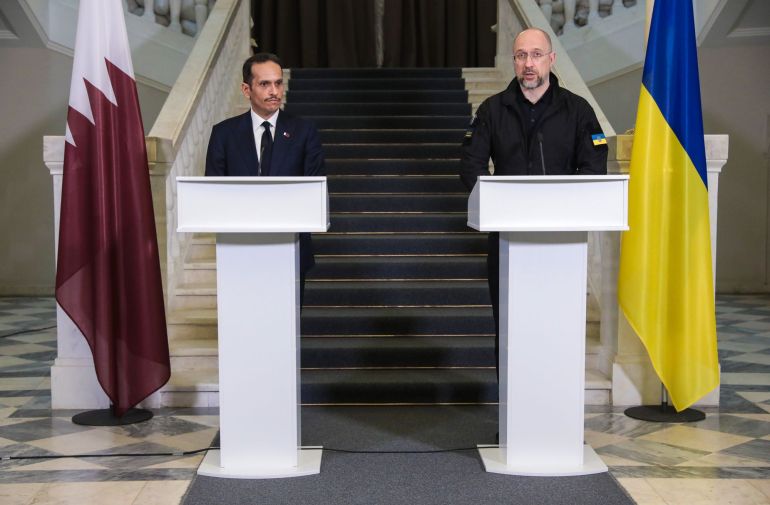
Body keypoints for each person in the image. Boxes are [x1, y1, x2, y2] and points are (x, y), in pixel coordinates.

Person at [460, 28, 608, 376]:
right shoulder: (492, 110)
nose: (529, 64)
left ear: (551, 59)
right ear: (514, 61)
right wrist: (500, 202)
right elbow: (471, 166)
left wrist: (563, 208)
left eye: (537, 55)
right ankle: (513, 418)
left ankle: (556, 414)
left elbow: (593, 166)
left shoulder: (578, 110)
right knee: (511, 327)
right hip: (507, 240)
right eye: (521, 56)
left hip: (562, 242)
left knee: (558, 328)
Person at [205, 53, 325, 302]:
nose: (274, 91)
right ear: (246, 89)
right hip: (239, 253)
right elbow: (212, 193)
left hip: (290, 251)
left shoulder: (304, 132)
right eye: (265, 84)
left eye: (278, 83)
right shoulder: (223, 134)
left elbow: (313, 189)